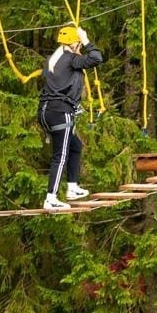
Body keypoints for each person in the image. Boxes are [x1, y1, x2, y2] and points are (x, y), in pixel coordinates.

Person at [38, 25, 106, 211]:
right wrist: (86, 40)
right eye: (79, 44)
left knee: (75, 146)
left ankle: (72, 187)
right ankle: (51, 198)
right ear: (74, 44)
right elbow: (96, 58)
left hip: (46, 111)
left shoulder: (52, 60)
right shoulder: (71, 59)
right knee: (60, 156)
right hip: (60, 112)